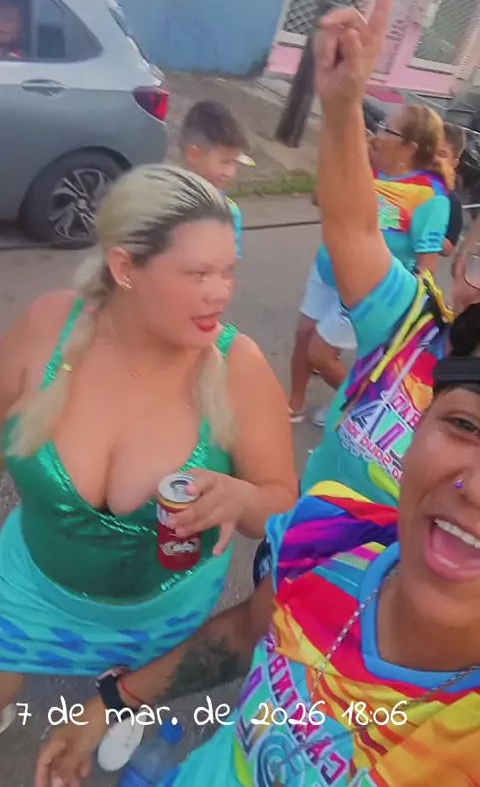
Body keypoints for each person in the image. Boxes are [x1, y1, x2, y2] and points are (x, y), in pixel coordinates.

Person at [35, 299, 480, 787]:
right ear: (416, 429)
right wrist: (113, 702)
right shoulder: (332, 534)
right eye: (466, 425)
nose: (474, 488)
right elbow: (247, 631)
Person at [0, 167, 297, 760]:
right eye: (198, 274)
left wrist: (243, 499)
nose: (221, 293)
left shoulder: (238, 367)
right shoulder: (50, 326)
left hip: (161, 617)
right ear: (126, 267)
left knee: (133, 687)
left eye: (229, 271)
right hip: (30, 591)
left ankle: (124, 703)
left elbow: (281, 500)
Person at [289, 102, 452, 428]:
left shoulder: (430, 196)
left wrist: (403, 320)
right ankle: (293, 405)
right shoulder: (369, 166)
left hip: (368, 291)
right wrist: (346, 161)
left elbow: (426, 268)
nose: (377, 135)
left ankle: (365, 406)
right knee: (304, 336)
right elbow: (320, 199)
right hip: (327, 269)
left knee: (320, 354)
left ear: (410, 146)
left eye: (386, 130)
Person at [179, 101, 254, 260]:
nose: (231, 173)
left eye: (235, 163)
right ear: (193, 154)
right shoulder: (166, 202)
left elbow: (228, 264)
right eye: (225, 162)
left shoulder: (230, 213)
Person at [438, 122, 466, 257]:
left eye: (442, 154)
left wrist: (426, 231)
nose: (434, 158)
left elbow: (448, 248)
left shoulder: (452, 200)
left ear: (454, 163)